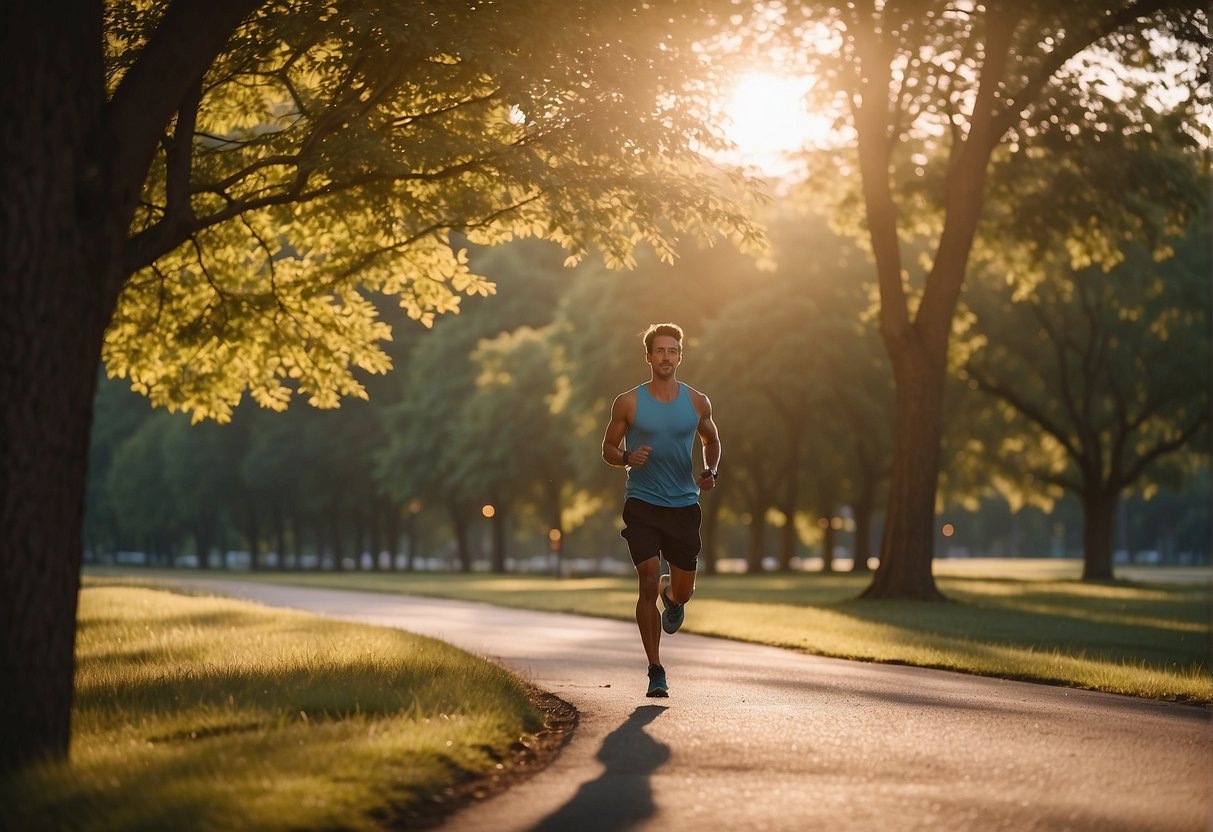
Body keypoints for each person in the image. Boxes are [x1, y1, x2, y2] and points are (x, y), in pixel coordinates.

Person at [601, 322, 721, 697]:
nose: (666, 357)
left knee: (681, 592)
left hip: (684, 504)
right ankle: (655, 669)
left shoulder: (697, 401)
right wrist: (625, 458)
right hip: (643, 504)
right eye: (659, 351)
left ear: (680, 356)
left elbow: (712, 440)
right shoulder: (628, 401)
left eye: (672, 351)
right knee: (648, 580)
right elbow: (607, 447)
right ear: (649, 356)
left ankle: (674, 598)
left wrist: (710, 470)